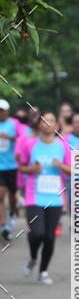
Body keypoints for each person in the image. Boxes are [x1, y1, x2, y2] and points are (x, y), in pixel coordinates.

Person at [16, 112, 71, 283]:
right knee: (38, 233)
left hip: (55, 198)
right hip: (34, 197)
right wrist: (31, 169)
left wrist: (60, 165)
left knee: (49, 237)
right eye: (45, 120)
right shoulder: (29, 144)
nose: (48, 123)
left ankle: (43, 272)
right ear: (39, 124)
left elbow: (73, 170)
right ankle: (33, 258)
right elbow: (22, 166)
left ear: (57, 125)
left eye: (52, 120)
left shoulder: (63, 146)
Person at [0, 99, 19, 240]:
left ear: (7, 111)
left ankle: (12, 213)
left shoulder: (14, 124)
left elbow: (22, 140)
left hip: (12, 166)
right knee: (0, 195)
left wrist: (10, 138)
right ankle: (3, 226)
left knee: (12, 197)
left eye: (2, 110)